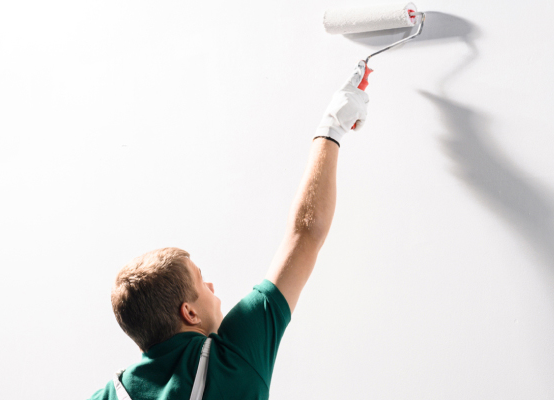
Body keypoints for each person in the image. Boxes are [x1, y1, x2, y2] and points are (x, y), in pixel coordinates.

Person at [88, 64, 371, 400]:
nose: (210, 285)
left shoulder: (105, 396)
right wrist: (333, 125)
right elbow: (304, 235)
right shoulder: (232, 355)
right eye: (200, 280)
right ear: (189, 313)